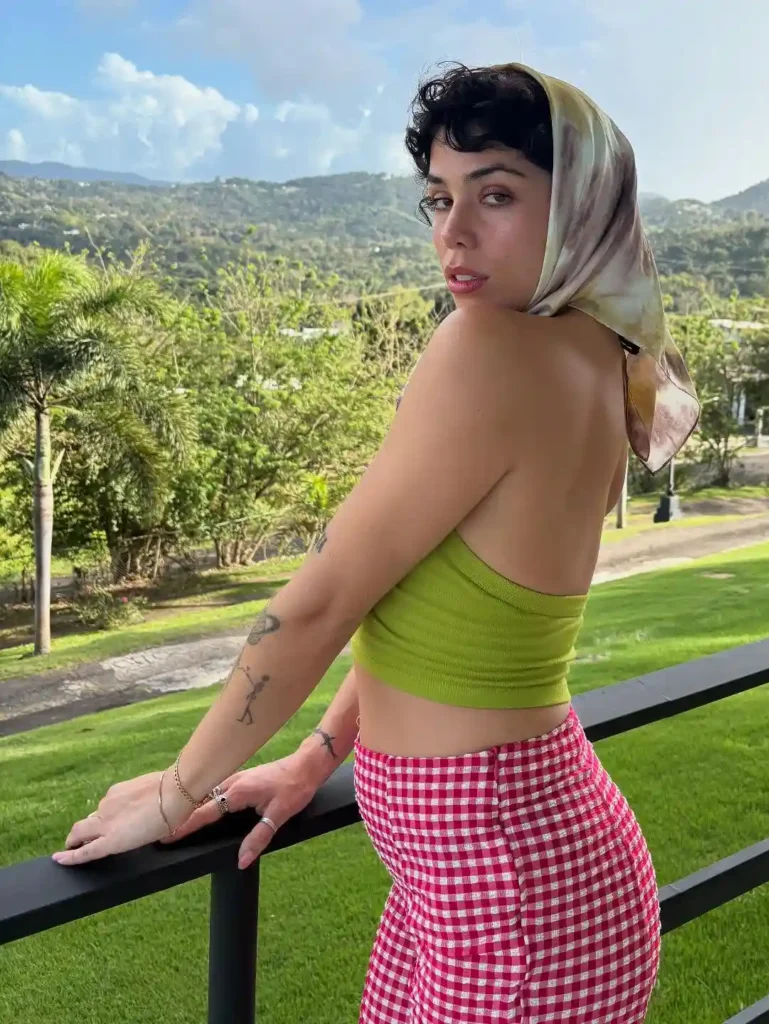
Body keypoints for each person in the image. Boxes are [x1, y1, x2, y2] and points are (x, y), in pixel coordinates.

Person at [52, 61, 700, 1023]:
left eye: (496, 194)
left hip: (505, 895)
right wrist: (317, 754)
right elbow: (432, 604)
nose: (453, 233)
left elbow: (323, 599)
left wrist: (176, 793)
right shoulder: (602, 357)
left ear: (581, 205)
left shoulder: (489, 347)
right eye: (439, 198)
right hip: (493, 879)